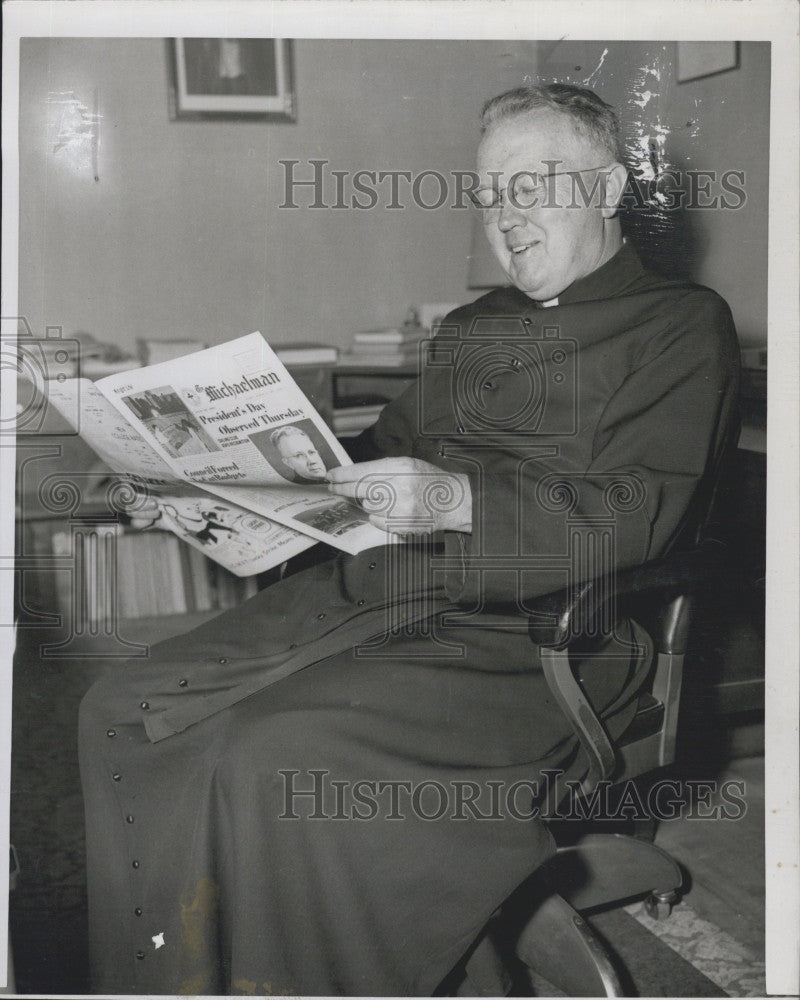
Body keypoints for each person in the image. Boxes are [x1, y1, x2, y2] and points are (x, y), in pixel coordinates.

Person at [79, 83, 739, 996]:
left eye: (530, 185)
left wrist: (456, 503)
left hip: (547, 635)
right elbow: (370, 466)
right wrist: (213, 490)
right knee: (125, 704)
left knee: (277, 752)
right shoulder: (471, 330)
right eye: (488, 192)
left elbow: (635, 516)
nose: (503, 216)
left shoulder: (679, 323)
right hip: (383, 598)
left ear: (609, 186)